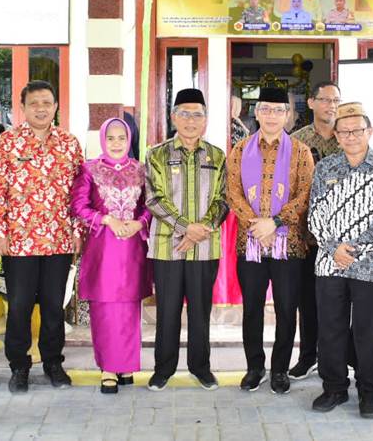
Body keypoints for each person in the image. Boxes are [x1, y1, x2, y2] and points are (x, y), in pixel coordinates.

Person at [0, 80, 84, 394]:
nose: (41, 108)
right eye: (34, 103)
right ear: (23, 108)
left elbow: (80, 194)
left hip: (58, 239)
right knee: (19, 306)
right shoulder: (7, 143)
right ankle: (19, 366)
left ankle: (53, 362)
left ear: (56, 106)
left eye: (47, 102)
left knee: (55, 305)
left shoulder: (70, 144)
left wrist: (78, 231)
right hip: (19, 242)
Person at [307, 102, 373, 417]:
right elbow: (314, 216)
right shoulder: (325, 168)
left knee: (368, 331)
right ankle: (334, 388)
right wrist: (334, 248)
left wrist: (354, 249)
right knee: (330, 328)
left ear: (369, 132)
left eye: (357, 130)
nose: (350, 136)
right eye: (344, 131)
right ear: (336, 135)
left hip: (371, 266)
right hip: (329, 263)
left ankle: (369, 392)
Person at [227, 87, 314, 394]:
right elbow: (232, 192)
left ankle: (279, 369)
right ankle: (254, 367)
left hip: (289, 245)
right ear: (257, 112)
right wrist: (256, 225)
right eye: (266, 109)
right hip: (249, 243)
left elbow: (305, 195)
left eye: (279, 110)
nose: (273, 115)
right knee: (251, 308)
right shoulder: (240, 150)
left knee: (287, 309)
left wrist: (275, 222)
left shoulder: (301, 152)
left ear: (287, 115)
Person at [145, 88, 227, 392]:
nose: (191, 121)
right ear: (173, 117)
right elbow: (154, 198)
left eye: (197, 114)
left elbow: (223, 199)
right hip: (168, 246)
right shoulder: (157, 154)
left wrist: (200, 229)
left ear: (205, 120)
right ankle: (163, 369)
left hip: (205, 248)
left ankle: (200, 367)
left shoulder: (217, 156)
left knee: (200, 311)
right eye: (185, 113)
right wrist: (185, 228)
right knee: (166, 310)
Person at [71, 118, 152, 394]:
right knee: (105, 308)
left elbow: (150, 206)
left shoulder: (141, 171)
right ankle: (107, 368)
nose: (116, 143)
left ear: (129, 140)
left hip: (131, 249)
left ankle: (126, 365)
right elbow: (79, 207)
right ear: (103, 140)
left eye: (121, 138)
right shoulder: (90, 169)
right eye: (111, 138)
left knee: (129, 308)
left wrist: (140, 222)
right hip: (103, 250)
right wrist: (107, 219)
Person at [288, 81, 342, 380]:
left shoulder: (348, 138)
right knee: (307, 300)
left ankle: (337, 358)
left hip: (342, 238)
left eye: (336, 100)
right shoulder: (297, 141)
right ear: (311, 103)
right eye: (325, 100)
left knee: (339, 301)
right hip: (307, 236)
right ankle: (308, 355)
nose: (331, 105)